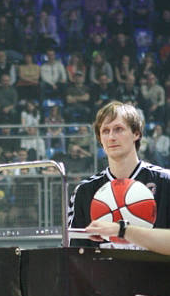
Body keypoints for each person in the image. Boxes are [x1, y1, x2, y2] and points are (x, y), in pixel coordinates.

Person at [68, 101, 170, 248]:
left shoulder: (165, 182)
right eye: (105, 131)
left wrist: (123, 231)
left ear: (136, 133)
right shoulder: (84, 191)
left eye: (118, 129)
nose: (111, 137)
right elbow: (73, 254)